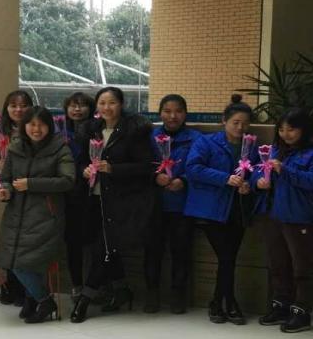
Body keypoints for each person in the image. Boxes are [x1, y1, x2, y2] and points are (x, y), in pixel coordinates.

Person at [70, 86, 154, 323]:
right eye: (102, 103)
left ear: (121, 104)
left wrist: (114, 169)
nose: (107, 107)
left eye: (112, 103)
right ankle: (122, 288)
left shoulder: (134, 131)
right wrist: (85, 171)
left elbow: (146, 166)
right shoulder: (91, 130)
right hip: (94, 199)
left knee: (103, 249)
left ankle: (84, 300)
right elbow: (80, 162)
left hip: (122, 202)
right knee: (104, 247)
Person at [0, 106, 75, 323]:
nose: (36, 129)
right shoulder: (15, 148)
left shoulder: (60, 148)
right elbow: (6, 178)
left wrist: (31, 184)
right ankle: (34, 299)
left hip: (45, 215)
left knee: (24, 262)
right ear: (24, 126)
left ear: (50, 126)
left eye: (41, 125)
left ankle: (44, 300)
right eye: (32, 124)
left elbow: (68, 180)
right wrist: (5, 190)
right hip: (16, 214)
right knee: (13, 260)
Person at [253, 108, 313, 332]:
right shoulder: (275, 150)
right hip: (273, 215)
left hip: (300, 217)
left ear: (304, 130)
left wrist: (284, 170)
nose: (286, 134)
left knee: (302, 266)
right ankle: (281, 305)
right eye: (282, 129)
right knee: (277, 264)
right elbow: (257, 170)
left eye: (291, 129)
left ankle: (302, 311)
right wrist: (259, 180)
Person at [184, 95, 258, 324]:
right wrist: (225, 178)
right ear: (224, 121)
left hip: (237, 208)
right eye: (235, 122)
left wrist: (249, 184)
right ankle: (228, 303)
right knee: (226, 257)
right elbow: (193, 168)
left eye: (245, 123)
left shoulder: (250, 145)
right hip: (211, 208)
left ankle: (218, 303)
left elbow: (256, 171)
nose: (240, 127)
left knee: (230, 257)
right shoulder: (206, 142)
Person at [144, 94, 201, 314]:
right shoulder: (149, 136)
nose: (172, 116)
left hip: (182, 204)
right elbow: (140, 164)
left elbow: (200, 165)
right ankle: (151, 294)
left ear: (185, 114)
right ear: (160, 113)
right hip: (154, 204)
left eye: (178, 111)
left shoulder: (196, 139)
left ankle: (178, 295)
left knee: (181, 252)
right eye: (167, 111)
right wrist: (154, 176)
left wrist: (183, 180)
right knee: (152, 251)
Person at [0, 89, 34, 306]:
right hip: (3, 191)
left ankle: (27, 290)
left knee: (24, 242)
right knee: (6, 241)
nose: (18, 110)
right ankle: (8, 286)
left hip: (29, 191)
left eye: (23, 105)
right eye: (13, 106)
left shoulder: (37, 129)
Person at [61, 91, 95, 301]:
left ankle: (94, 285)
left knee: (92, 241)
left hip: (91, 191)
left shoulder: (97, 130)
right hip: (66, 193)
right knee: (72, 242)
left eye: (82, 105)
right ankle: (76, 284)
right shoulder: (59, 130)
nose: (77, 109)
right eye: (73, 105)